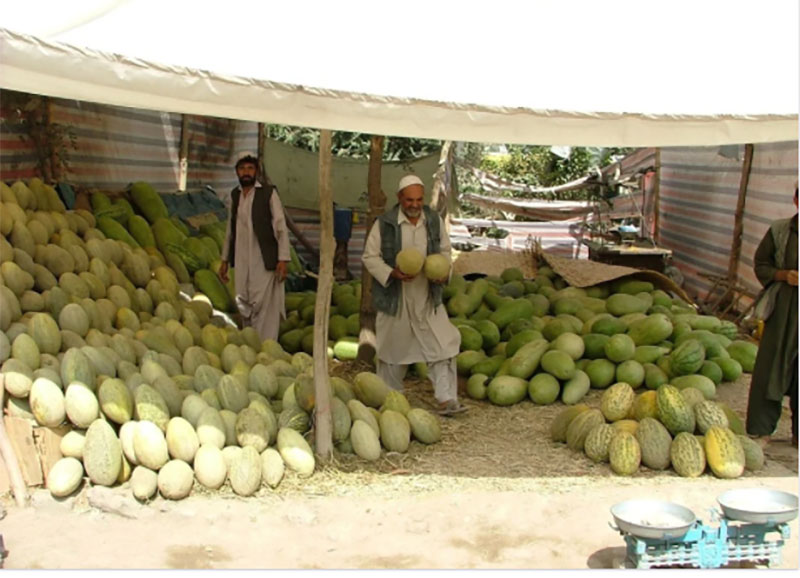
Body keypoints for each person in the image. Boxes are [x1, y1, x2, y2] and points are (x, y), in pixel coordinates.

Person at [362, 174, 467, 416]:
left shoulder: (434, 220)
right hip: (395, 298)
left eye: (419, 199)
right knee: (391, 351)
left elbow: (444, 251)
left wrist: (443, 273)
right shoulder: (384, 223)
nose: (415, 205)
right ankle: (390, 399)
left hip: (426, 297)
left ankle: (447, 399)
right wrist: (392, 273)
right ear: (400, 199)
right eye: (409, 200)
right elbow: (370, 257)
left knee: (443, 345)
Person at [746, 184, 798, 448]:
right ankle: (762, 429)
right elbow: (761, 263)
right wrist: (783, 275)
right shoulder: (780, 230)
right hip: (783, 309)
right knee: (770, 368)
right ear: (795, 200)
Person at [219, 152, 291, 342]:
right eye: (242, 169)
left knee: (263, 304)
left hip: (263, 258)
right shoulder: (235, 195)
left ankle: (265, 346)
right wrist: (225, 259)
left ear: (256, 171)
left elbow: (280, 227)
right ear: (237, 172)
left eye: (250, 168)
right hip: (242, 259)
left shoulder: (268, 193)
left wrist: (283, 259)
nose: (246, 173)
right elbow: (230, 229)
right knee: (244, 301)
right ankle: (250, 344)